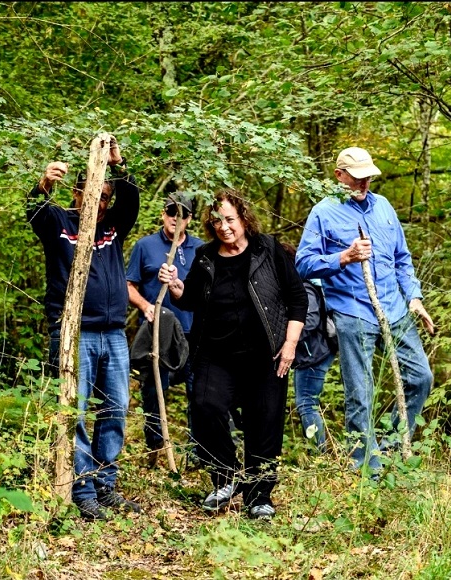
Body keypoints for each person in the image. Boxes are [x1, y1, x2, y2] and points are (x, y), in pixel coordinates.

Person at [158, 189, 307, 520]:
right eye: (217, 221)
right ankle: (225, 477)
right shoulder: (205, 255)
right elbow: (191, 298)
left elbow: (298, 299)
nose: (224, 226)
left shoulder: (266, 249)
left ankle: (259, 496)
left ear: (243, 218)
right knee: (205, 407)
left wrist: (290, 345)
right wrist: (175, 285)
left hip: (266, 355)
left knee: (263, 422)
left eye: (230, 219)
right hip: (216, 353)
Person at [295, 146, 436, 474]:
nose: (363, 184)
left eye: (368, 177)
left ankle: (386, 445)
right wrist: (343, 257)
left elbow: (402, 257)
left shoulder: (384, 207)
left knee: (421, 377)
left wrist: (413, 296)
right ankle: (364, 469)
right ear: (339, 175)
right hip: (352, 311)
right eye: (356, 178)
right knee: (361, 392)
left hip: (395, 309)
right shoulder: (324, 212)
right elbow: (303, 264)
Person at [26, 136, 142, 520]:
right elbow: (33, 211)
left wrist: (117, 164)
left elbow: (132, 202)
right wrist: (44, 182)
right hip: (74, 332)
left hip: (113, 332)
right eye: (95, 193)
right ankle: (81, 486)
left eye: (107, 197)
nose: (101, 202)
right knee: (73, 409)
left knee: (116, 407)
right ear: (79, 191)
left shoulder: (112, 228)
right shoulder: (60, 222)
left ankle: (106, 483)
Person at [126, 193, 202, 467]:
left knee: (199, 392)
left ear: (189, 219)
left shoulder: (201, 249)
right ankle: (154, 446)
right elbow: (129, 285)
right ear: (163, 214)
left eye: (181, 214)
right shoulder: (145, 246)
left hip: (195, 332)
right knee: (153, 391)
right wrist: (146, 306)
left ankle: (197, 453)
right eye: (171, 211)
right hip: (158, 333)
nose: (175, 218)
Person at [281, 243, 337, 453]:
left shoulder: (303, 286)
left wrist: (287, 340)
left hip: (314, 354)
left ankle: (319, 453)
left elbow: (310, 320)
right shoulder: (300, 285)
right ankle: (318, 450)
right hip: (312, 352)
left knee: (306, 403)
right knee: (307, 403)